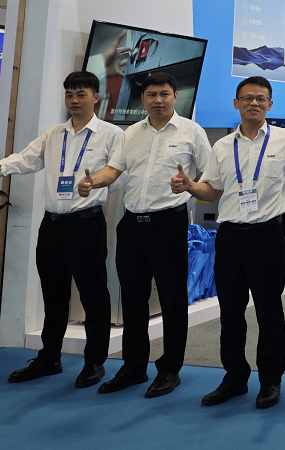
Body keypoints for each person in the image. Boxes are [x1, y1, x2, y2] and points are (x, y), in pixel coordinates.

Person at [171, 76, 285, 409]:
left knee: (269, 310)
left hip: (267, 236)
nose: (253, 103)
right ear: (236, 103)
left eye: (260, 98)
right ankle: (234, 377)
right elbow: (211, 191)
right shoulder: (222, 146)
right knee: (230, 311)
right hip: (230, 237)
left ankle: (270, 379)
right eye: (247, 98)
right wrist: (190, 186)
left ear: (270, 105)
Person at [0, 71, 123, 388]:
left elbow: (119, 173)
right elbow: (28, 158)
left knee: (93, 295)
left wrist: (95, 185)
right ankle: (49, 358)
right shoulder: (53, 134)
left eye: (81, 94)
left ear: (96, 97)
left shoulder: (111, 134)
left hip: (87, 224)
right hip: (52, 226)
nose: (74, 100)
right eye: (69, 94)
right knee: (53, 294)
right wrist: (1, 167)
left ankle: (94, 362)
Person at [80, 71, 211, 397]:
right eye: (151, 95)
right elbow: (114, 170)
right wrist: (93, 182)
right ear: (143, 99)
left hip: (169, 224)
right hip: (132, 225)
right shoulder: (132, 133)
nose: (158, 100)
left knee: (172, 299)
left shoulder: (192, 132)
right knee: (133, 298)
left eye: (164, 94)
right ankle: (134, 367)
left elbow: (211, 175)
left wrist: (190, 185)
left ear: (175, 96)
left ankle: (169, 370)